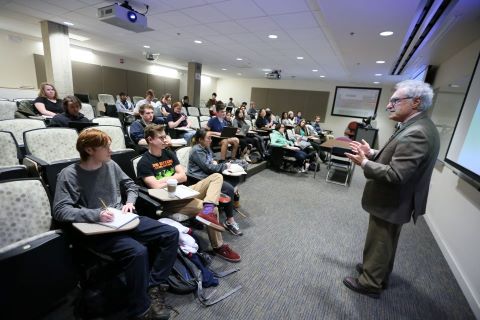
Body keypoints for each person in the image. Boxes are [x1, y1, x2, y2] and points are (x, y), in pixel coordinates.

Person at [53, 128, 178, 320]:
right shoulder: (69, 175)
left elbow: (131, 185)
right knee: (137, 251)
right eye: (106, 147)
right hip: (98, 228)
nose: (111, 150)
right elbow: (61, 210)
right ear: (89, 150)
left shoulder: (110, 165)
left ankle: (153, 286)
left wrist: (130, 202)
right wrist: (96, 214)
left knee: (170, 233)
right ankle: (142, 309)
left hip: (122, 217)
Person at [342, 80, 440, 298]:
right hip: (397, 199)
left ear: (415, 102)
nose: (389, 106)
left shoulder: (417, 132)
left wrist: (365, 163)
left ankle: (369, 283)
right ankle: (378, 273)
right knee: (385, 241)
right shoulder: (418, 125)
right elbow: (398, 158)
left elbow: (397, 174)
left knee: (380, 240)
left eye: (395, 100)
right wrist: (373, 152)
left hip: (392, 199)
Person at [137, 124, 241, 261]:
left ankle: (207, 208)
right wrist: (173, 178)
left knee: (217, 177)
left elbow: (184, 177)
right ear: (150, 140)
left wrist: (165, 179)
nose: (165, 140)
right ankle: (218, 246)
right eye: (161, 137)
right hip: (168, 201)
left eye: (165, 136)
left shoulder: (169, 153)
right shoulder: (144, 162)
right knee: (215, 209)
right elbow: (155, 186)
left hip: (183, 191)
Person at [188, 129, 244, 236]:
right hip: (200, 178)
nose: (211, 140)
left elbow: (212, 158)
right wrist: (224, 166)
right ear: (200, 140)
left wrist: (215, 162)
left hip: (210, 175)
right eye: (208, 138)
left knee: (234, 179)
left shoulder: (206, 147)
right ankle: (229, 221)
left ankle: (226, 201)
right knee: (229, 188)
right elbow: (208, 168)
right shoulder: (197, 150)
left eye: (211, 138)